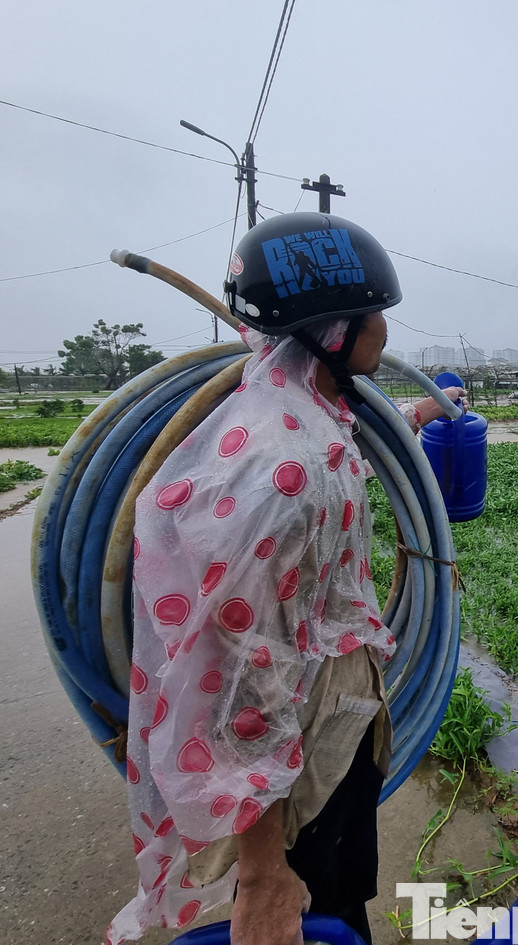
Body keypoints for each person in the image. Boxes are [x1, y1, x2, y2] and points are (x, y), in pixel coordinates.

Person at [107, 212, 461, 945]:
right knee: (313, 908)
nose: (386, 330)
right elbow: (238, 670)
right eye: (376, 314)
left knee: (341, 895)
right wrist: (264, 868)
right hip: (301, 757)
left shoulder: (303, 418)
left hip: (333, 731)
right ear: (332, 329)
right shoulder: (287, 471)